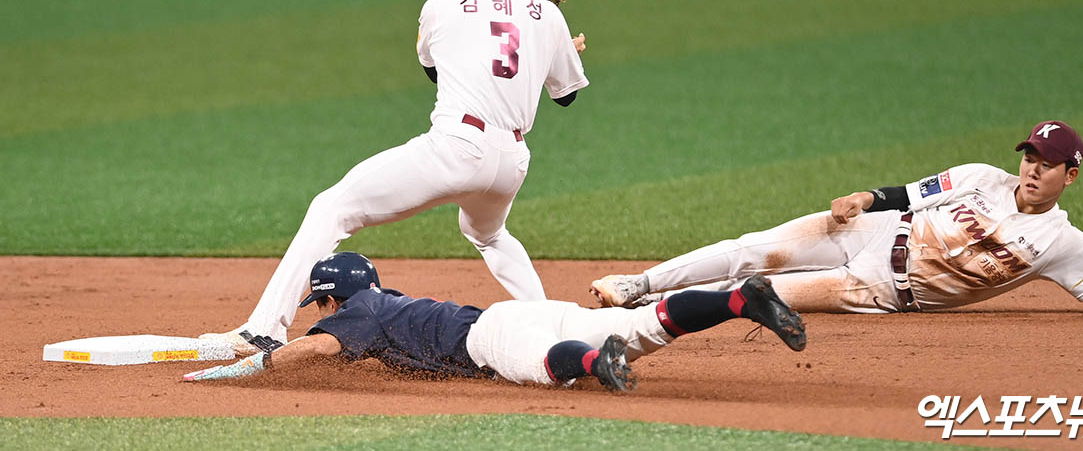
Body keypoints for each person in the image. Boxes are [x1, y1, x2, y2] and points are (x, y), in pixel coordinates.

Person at [202, 0, 590, 355]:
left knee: (332, 207)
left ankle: (264, 329)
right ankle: (552, 330)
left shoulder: (440, 9)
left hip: (457, 150)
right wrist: (552, 47)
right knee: (489, 234)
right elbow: (565, 97)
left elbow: (433, 71)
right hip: (512, 163)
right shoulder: (546, 15)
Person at [589, 121, 1083, 318]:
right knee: (755, 247)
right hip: (880, 229)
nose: (1032, 170)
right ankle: (638, 283)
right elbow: (911, 192)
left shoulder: (1065, 243)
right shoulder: (982, 176)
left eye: (1047, 165)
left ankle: (651, 310)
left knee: (763, 289)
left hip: (879, 289)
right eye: (1029, 157)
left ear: (1068, 176)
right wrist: (862, 198)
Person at [183, 252, 807, 391]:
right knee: (644, 327)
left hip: (497, 337)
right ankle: (737, 301)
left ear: (330, 300)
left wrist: (247, 366)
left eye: (319, 306)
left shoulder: (360, 315)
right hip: (529, 314)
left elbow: (313, 353)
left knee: (546, 368)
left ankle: (594, 363)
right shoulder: (386, 300)